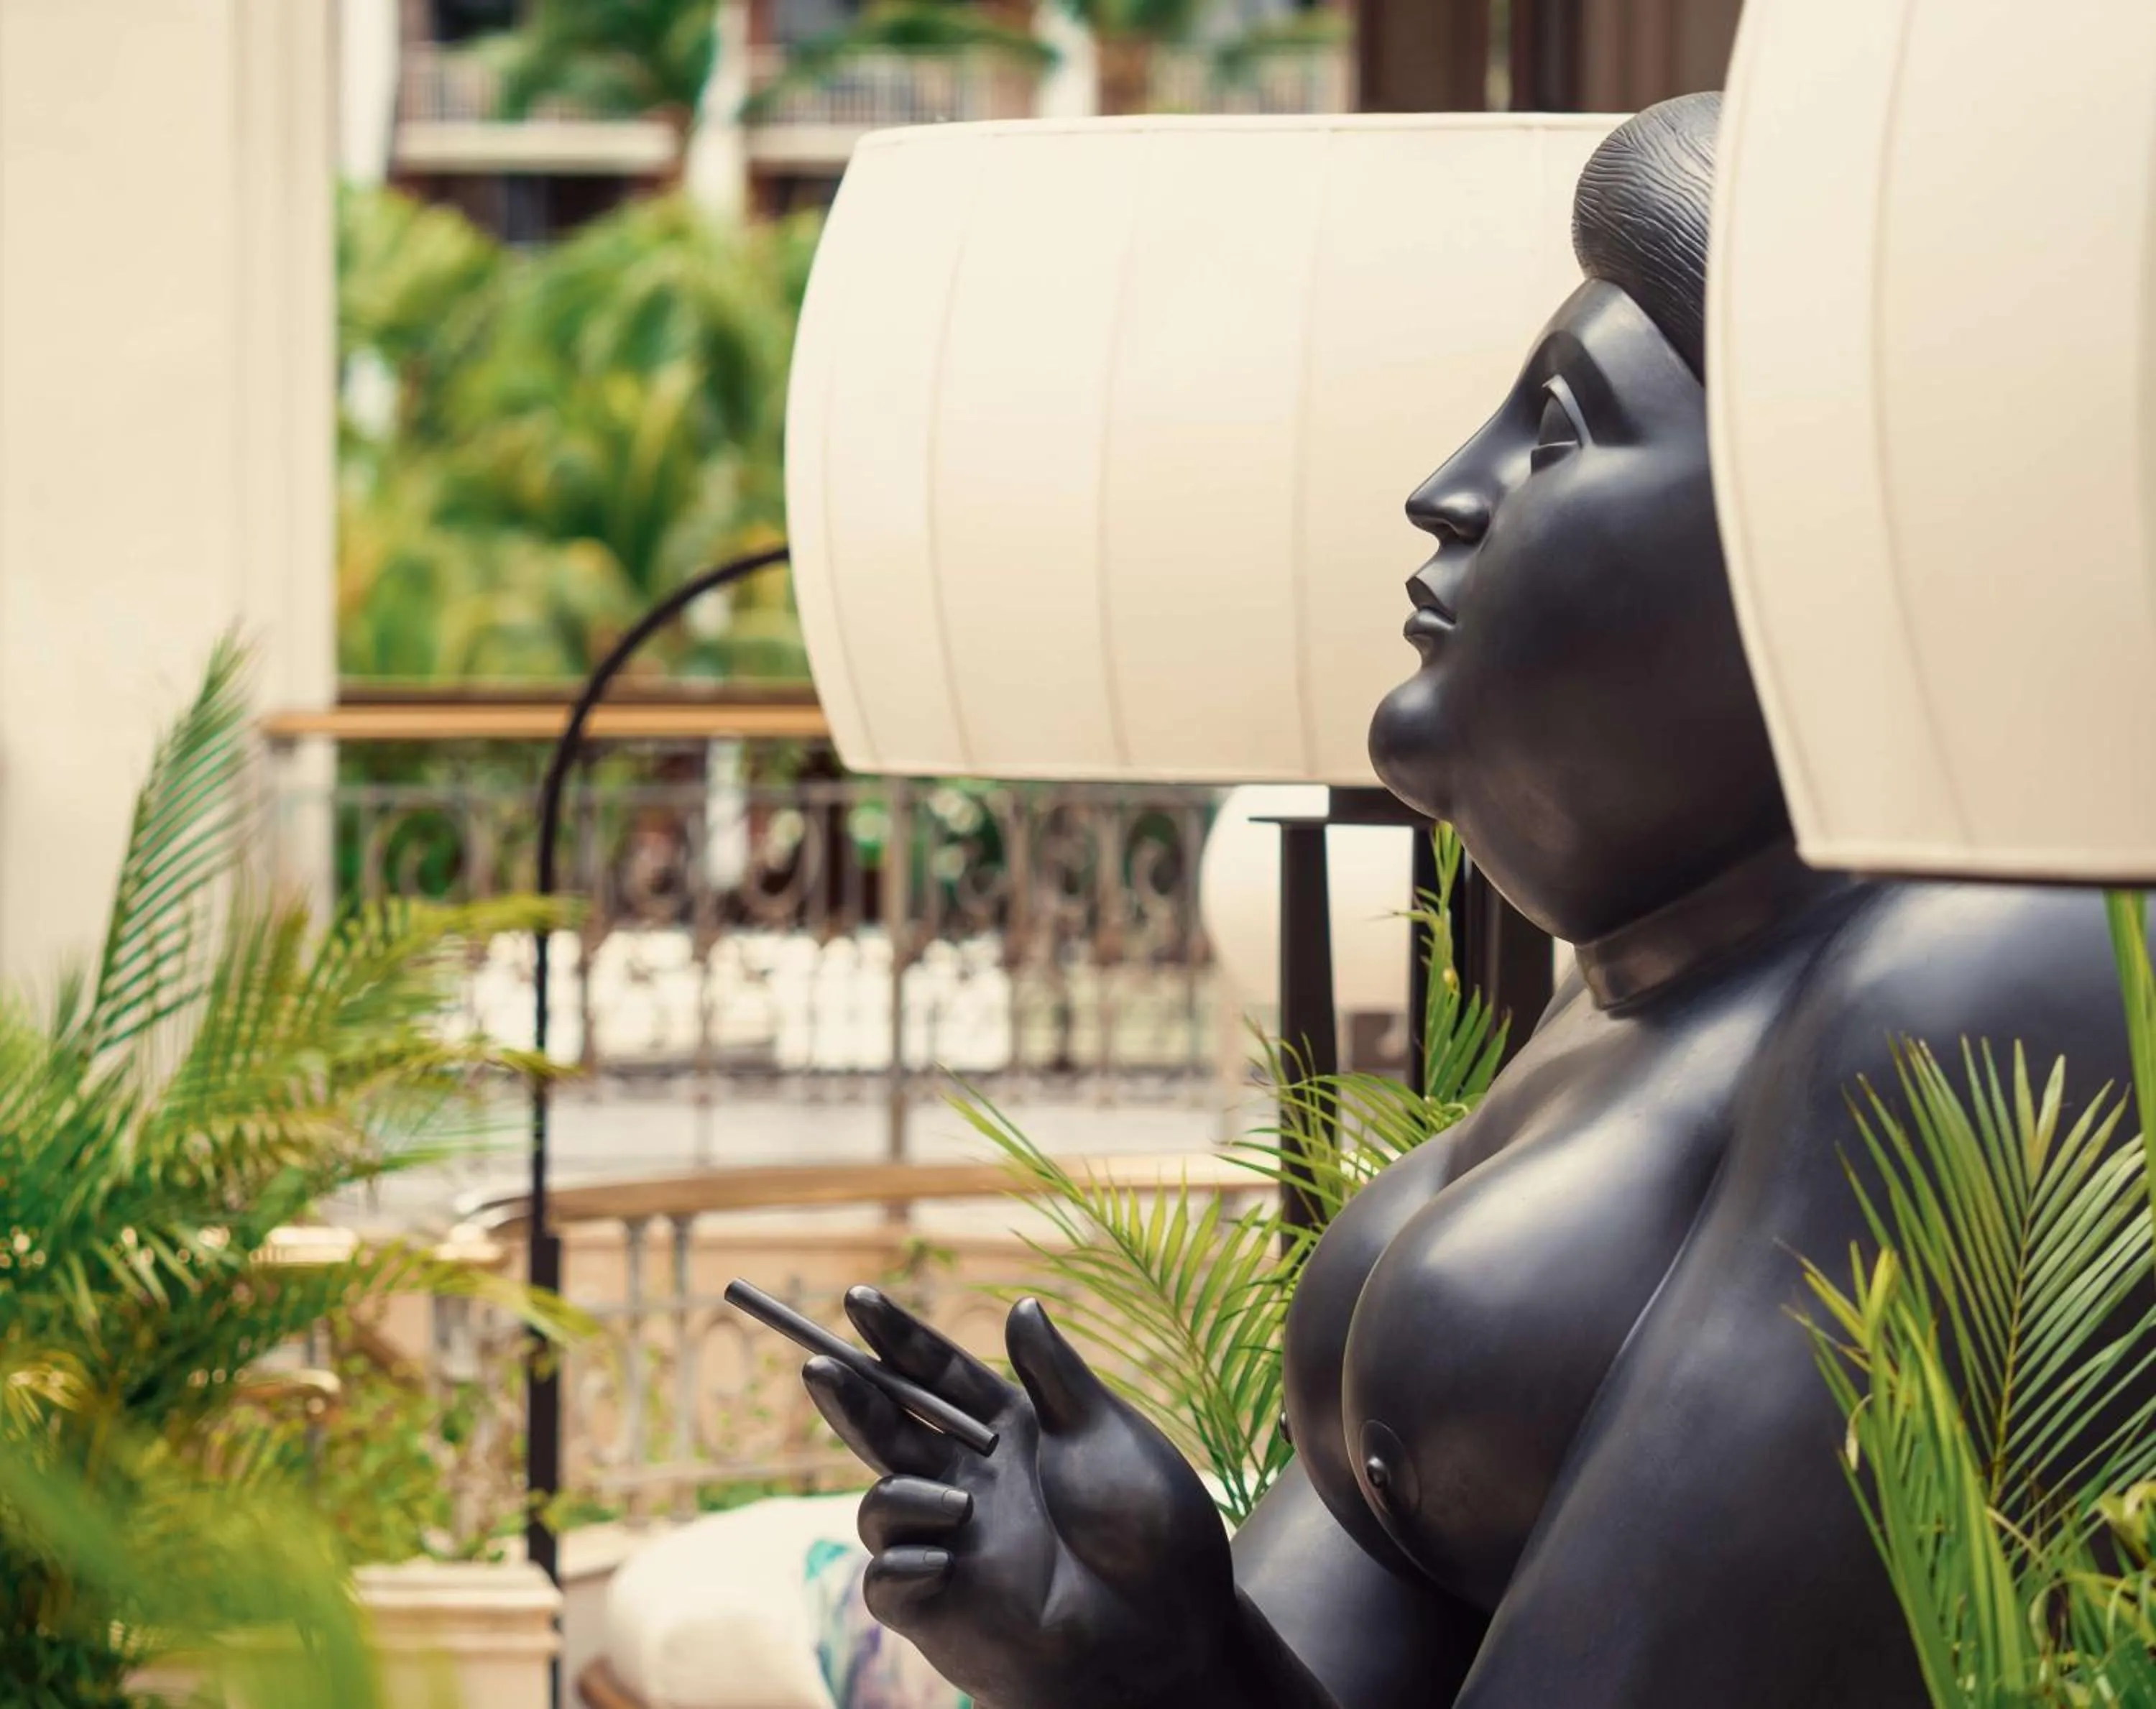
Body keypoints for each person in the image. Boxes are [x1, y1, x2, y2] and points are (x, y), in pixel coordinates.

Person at [790, 93, 2140, 1708]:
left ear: (1822, 533)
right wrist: (1146, 1646)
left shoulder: (2002, 974)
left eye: (1557, 433)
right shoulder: (1625, 1004)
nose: (1444, 490)